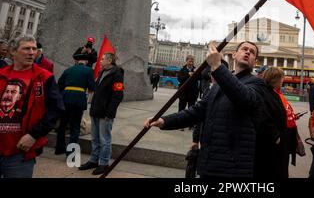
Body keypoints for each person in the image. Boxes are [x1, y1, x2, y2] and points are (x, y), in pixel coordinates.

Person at [145, 41, 266, 178]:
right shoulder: (219, 84)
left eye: (252, 52)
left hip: (234, 168)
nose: (248, 52)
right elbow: (197, 111)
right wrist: (164, 121)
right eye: (244, 49)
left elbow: (243, 97)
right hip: (209, 163)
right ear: (234, 55)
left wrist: (217, 66)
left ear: (254, 62)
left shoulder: (257, 84)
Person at [0, 35, 64, 178]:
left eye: (34, 49)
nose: (31, 52)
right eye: (26, 48)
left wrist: (34, 135)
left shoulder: (44, 77)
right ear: (13, 51)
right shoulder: (1, 74)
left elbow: (56, 109)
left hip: (20, 153)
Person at [79, 52, 124, 175]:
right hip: (95, 110)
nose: (100, 61)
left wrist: (110, 112)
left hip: (105, 113)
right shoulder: (101, 72)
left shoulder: (117, 74)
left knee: (105, 140)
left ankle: (104, 163)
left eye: (103, 59)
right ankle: (93, 160)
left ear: (109, 61)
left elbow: (118, 95)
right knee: (95, 138)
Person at [55, 53, 95, 155]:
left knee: (62, 125)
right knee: (75, 127)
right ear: (86, 62)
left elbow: (59, 85)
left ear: (76, 61)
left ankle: (59, 148)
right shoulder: (89, 70)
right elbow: (92, 87)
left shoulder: (68, 70)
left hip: (65, 99)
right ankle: (71, 154)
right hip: (78, 99)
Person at [254, 67, 287, 179]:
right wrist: (275, 136)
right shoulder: (264, 93)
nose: (283, 80)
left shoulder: (273, 93)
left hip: (275, 142)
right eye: (282, 78)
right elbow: (263, 115)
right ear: (275, 79)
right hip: (269, 145)